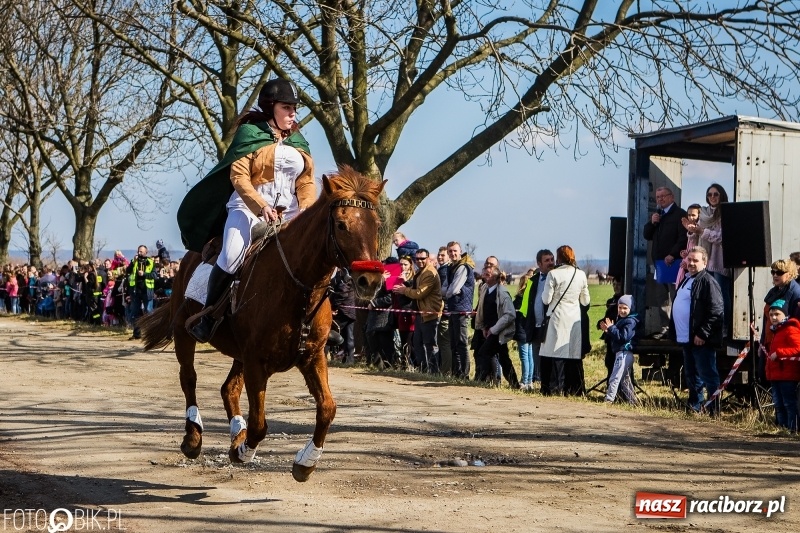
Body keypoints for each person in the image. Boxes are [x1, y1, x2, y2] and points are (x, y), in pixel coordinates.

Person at [178, 78, 315, 343]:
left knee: (317, 257)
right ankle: (209, 316)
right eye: (287, 107)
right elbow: (239, 178)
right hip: (247, 209)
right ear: (271, 106)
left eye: (294, 108)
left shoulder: (298, 141)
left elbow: (306, 181)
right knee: (230, 256)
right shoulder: (249, 134)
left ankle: (316, 323)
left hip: (290, 213)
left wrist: (306, 210)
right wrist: (261, 205)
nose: (293, 113)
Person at [669, 246, 724, 414]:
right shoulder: (687, 279)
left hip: (701, 339)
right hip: (687, 338)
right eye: (689, 259)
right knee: (692, 375)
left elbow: (716, 310)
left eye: (695, 260)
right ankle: (695, 406)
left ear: (705, 263)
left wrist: (702, 333)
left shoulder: (708, 281)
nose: (691, 263)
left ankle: (714, 409)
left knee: (708, 375)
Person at [539, 245, 590, 396]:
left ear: (559, 257)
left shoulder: (553, 274)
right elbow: (586, 301)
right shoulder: (580, 274)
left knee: (551, 353)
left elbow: (546, 299)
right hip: (574, 318)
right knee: (572, 355)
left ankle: (550, 388)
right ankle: (573, 389)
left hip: (556, 318)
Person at [643, 186, 688, 336]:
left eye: (663, 196)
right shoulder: (658, 215)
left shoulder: (680, 214)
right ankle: (665, 327)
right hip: (660, 263)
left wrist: (673, 254)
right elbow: (647, 235)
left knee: (675, 296)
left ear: (672, 197)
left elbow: (683, 238)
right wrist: (652, 222)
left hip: (673, 263)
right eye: (658, 197)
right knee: (661, 298)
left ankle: (677, 329)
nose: (660, 199)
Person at [394, 249, 443, 373]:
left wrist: (404, 290)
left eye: (422, 258)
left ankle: (433, 372)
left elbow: (420, 293)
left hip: (430, 313)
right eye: (417, 259)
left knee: (430, 345)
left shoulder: (429, 273)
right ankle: (423, 370)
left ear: (428, 258)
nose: (420, 261)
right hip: (420, 313)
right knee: (417, 343)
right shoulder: (421, 272)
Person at [691, 183, 731, 333]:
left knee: (721, 295)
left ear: (722, 195)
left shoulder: (726, 212)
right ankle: (709, 326)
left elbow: (722, 237)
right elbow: (698, 236)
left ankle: (724, 326)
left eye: (716, 194)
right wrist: (692, 230)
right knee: (707, 296)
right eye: (710, 194)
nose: (712, 197)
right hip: (705, 261)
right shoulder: (703, 213)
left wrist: (703, 231)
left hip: (720, 260)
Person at [474, 265, 518, 387]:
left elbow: (510, 314)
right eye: (484, 273)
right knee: (504, 358)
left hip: (499, 331)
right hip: (489, 329)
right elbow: (482, 310)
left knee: (483, 353)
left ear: (495, 277)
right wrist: (483, 327)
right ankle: (514, 384)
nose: (484, 276)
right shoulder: (484, 288)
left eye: (487, 275)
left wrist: (494, 329)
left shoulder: (503, 293)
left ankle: (482, 380)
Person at [762, 299, 800, 432]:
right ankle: (782, 428)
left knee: (789, 403)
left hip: (787, 375)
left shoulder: (790, 329)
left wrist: (779, 353)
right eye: (771, 314)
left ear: (785, 315)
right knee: (778, 404)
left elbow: (798, 348)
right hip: (776, 374)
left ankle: (793, 428)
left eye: (777, 314)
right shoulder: (776, 331)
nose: (773, 317)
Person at [522, 250, 555, 389]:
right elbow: (528, 302)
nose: (551, 263)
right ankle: (542, 383)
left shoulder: (555, 278)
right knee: (537, 355)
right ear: (539, 263)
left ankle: (551, 385)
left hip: (550, 324)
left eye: (552, 259)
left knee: (550, 356)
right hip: (535, 324)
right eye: (547, 260)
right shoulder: (534, 280)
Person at [599, 294, 640, 405]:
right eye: (620, 307)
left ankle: (609, 399)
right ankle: (633, 401)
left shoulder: (630, 322)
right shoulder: (623, 320)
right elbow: (618, 336)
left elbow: (623, 337)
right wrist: (609, 331)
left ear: (631, 308)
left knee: (615, 376)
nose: (622, 310)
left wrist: (612, 328)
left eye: (625, 308)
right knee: (625, 380)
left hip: (624, 354)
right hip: (622, 354)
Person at [443, 241, 475, 379]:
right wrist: (447, 291)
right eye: (450, 251)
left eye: (455, 251)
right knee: (454, 343)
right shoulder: (451, 268)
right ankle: (457, 373)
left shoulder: (463, 267)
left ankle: (465, 374)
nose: (453, 253)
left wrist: (447, 291)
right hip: (454, 309)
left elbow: (453, 289)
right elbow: (444, 288)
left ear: (460, 251)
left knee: (461, 343)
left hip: (461, 309)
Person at [761, 259, 800, 349]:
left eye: (779, 272)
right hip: (769, 341)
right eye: (773, 272)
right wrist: (762, 342)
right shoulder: (774, 291)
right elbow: (766, 320)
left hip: (783, 344)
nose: (775, 275)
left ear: (789, 274)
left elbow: (795, 323)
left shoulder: (796, 292)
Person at [126, 245, 156, 338]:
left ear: (146, 252)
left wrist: (145, 274)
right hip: (135, 291)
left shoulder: (150, 262)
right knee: (135, 312)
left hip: (147, 291)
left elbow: (155, 276)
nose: (139, 253)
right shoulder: (133, 261)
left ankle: (151, 333)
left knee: (148, 311)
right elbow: (128, 271)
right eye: (138, 251)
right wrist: (133, 262)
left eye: (141, 252)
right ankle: (137, 333)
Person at [330, 269, 356, 365]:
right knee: (349, 337)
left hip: (343, 312)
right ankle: (349, 360)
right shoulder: (343, 275)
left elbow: (342, 292)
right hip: (350, 312)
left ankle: (325, 356)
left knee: (330, 332)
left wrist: (333, 307)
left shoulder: (345, 275)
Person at [513, 273, 534, 390]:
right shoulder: (531, 299)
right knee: (530, 357)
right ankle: (530, 381)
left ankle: (524, 381)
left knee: (524, 357)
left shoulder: (519, 299)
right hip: (529, 331)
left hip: (521, 331)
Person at [676, 203, 702, 287]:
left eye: (693, 215)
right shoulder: (689, 228)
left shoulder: (700, 229)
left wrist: (688, 263)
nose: (690, 217)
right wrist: (685, 253)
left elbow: (697, 249)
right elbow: (690, 247)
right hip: (687, 263)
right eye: (689, 215)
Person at [435, 246, 452, 374]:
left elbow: (443, 292)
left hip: (445, 310)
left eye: (443, 255)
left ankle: (445, 370)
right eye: (439, 255)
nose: (440, 257)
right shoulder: (442, 269)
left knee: (444, 342)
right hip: (441, 309)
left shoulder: (445, 271)